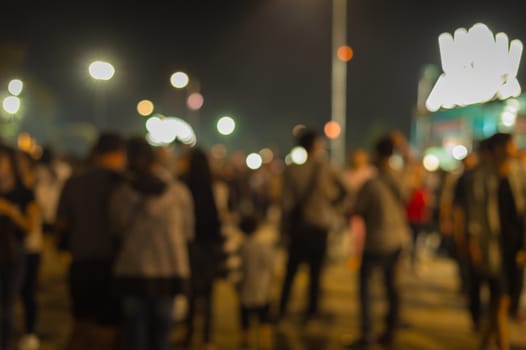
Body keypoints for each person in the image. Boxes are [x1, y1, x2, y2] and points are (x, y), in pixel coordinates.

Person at [109, 137, 194, 350]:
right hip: (169, 270)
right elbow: (187, 232)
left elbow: (116, 228)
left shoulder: (123, 194)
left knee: (134, 334)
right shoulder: (178, 193)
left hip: (132, 270)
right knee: (163, 334)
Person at [55, 132, 127, 350]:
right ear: (119, 154)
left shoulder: (73, 182)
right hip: (113, 264)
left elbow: (61, 224)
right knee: (108, 329)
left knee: (81, 325)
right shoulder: (122, 184)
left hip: (80, 263)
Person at [347, 134, 410, 348]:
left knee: (366, 290)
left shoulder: (371, 184)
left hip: (375, 243)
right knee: (392, 288)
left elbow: (357, 209)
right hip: (397, 241)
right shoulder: (401, 178)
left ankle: (367, 334)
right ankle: (390, 332)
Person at [279, 128, 347, 322]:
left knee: (291, 271)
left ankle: (282, 309)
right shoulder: (326, 167)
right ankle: (311, 310)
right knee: (316, 273)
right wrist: (331, 204)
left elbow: (285, 203)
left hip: (298, 228)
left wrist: (283, 230)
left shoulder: (291, 169)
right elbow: (345, 189)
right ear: (316, 145)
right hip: (319, 226)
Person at [468, 133, 526, 350]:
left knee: (504, 301)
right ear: (499, 149)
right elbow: (474, 215)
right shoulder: (482, 177)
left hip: (516, 247)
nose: (514, 148)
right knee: (500, 298)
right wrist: (474, 244)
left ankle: (484, 342)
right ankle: (503, 345)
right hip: (493, 247)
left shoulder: (520, 174)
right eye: (510, 145)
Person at [179, 147, 224, 350]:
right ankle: (208, 337)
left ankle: (189, 333)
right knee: (208, 294)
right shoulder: (213, 187)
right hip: (209, 247)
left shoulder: (182, 185)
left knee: (190, 292)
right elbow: (217, 220)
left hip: (189, 246)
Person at [0, 145, 40, 350]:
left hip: (14, 254)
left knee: (8, 305)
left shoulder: (24, 193)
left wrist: (9, 212)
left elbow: (30, 226)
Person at [17, 151, 44, 350]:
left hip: (30, 247)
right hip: (11, 248)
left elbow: (31, 225)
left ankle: (30, 331)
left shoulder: (33, 188)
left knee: (28, 291)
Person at [237, 213, 276, 349]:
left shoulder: (242, 247)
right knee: (264, 319)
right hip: (262, 290)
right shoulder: (262, 246)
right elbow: (271, 265)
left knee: (245, 320)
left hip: (245, 291)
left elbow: (237, 269)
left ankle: (245, 342)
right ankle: (264, 344)